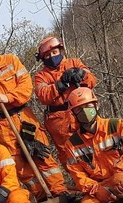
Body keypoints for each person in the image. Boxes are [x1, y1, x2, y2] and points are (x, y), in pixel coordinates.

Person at [0, 31, 68, 202]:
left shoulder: (10, 61)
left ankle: (60, 192)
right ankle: (42, 198)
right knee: (20, 166)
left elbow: (26, 87)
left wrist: (8, 97)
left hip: (23, 117)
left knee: (42, 155)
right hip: (1, 126)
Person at [34, 36, 98, 166]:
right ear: (42, 58)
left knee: (95, 143)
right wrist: (60, 84)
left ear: (60, 51)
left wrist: (81, 74)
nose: (51, 56)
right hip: (59, 120)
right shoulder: (41, 76)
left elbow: (92, 80)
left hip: (82, 110)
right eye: (47, 55)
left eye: (54, 52)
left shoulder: (74, 63)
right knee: (68, 153)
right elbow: (43, 95)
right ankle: (79, 179)